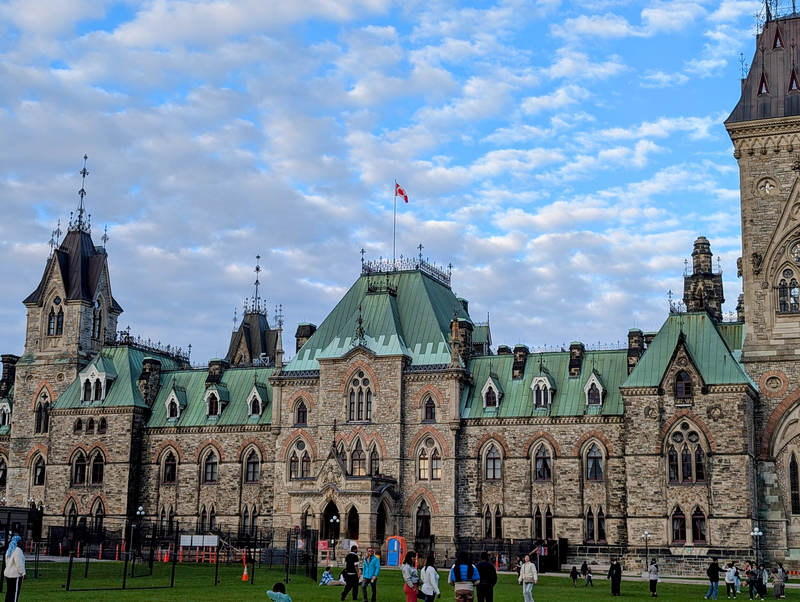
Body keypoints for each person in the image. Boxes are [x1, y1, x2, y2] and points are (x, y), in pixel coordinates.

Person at [4, 535, 25, 602]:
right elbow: (19, 563)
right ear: (18, 542)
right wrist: (23, 572)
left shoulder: (9, 549)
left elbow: (6, 561)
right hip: (15, 575)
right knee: (15, 593)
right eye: (20, 541)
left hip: (8, 573)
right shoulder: (17, 550)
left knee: (9, 592)